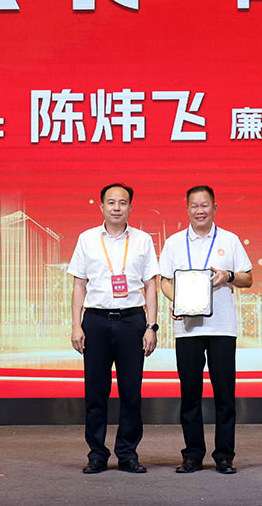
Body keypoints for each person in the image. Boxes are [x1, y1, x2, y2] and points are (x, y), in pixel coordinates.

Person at [159, 185, 253, 474]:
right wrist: (178, 302)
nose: (199, 211)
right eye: (194, 206)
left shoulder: (230, 240)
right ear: (187, 209)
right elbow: (165, 281)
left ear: (214, 208)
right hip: (188, 329)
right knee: (190, 394)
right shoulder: (174, 243)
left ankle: (224, 455)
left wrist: (229, 275)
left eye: (205, 205)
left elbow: (248, 279)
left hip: (222, 328)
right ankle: (192, 455)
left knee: (225, 394)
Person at [68, 183, 159, 474]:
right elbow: (79, 285)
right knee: (96, 391)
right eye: (111, 202)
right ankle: (97, 454)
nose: (116, 207)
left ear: (130, 207)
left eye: (122, 202)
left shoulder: (143, 240)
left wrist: (151, 326)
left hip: (132, 321)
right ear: (101, 207)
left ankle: (127, 454)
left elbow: (151, 285)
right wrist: (76, 326)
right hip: (95, 321)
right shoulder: (87, 239)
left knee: (131, 391)